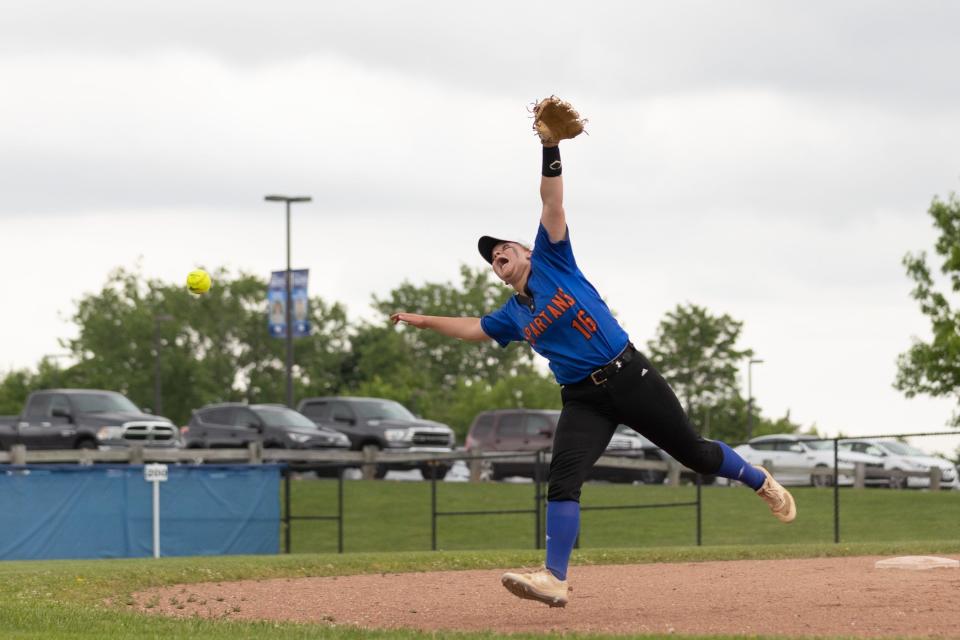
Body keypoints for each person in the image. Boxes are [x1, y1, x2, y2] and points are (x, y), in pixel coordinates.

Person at [390, 126, 796, 608]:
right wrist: (424, 321)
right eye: (493, 261)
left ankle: (759, 479)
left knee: (695, 456)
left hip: (628, 374)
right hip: (583, 399)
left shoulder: (553, 259)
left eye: (504, 250)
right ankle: (554, 578)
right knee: (563, 478)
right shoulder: (513, 315)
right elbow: (473, 328)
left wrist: (549, 145)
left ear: (525, 251)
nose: (498, 258)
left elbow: (552, 201)